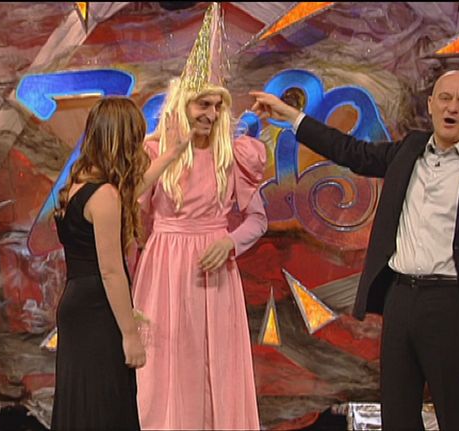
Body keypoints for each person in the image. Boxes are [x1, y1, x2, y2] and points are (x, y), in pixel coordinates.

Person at [250, 70, 459, 430]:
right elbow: (351, 152)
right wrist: (293, 117)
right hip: (401, 299)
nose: (453, 108)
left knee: (455, 418)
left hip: (453, 305)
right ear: (431, 105)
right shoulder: (410, 149)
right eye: (445, 98)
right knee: (397, 418)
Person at [131, 4, 267, 429]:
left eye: (216, 106)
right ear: (182, 105)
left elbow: (257, 219)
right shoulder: (154, 152)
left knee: (215, 368)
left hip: (215, 272)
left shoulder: (232, 155)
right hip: (164, 270)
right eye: (201, 105)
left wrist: (229, 241)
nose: (209, 114)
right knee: (165, 369)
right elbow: (134, 211)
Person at [51, 96, 189, 431]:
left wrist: (171, 154)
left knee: (84, 405)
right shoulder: (104, 197)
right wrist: (130, 335)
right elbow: (111, 271)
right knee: (105, 405)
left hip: (78, 304)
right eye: (136, 138)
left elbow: (132, 189)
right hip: (98, 309)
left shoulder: (81, 185)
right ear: (123, 142)